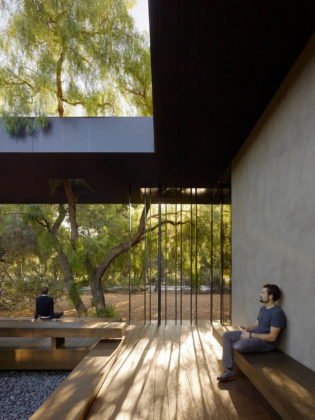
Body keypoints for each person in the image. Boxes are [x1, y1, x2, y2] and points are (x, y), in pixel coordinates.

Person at [217, 284, 286, 382]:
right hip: (253, 335)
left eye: (263, 292)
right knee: (227, 336)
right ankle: (229, 370)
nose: (260, 294)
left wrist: (250, 335)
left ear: (271, 296)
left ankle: (230, 351)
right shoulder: (263, 309)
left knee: (237, 346)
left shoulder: (277, 313)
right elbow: (256, 325)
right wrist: (245, 331)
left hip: (265, 343)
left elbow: (272, 337)